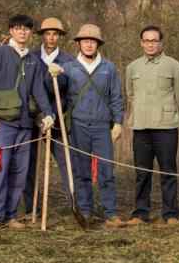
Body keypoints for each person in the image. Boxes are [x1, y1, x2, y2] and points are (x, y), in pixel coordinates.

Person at [48, 24, 125, 228]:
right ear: (79, 43)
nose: (89, 44)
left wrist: (118, 123)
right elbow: (55, 93)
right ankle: (85, 211)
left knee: (106, 171)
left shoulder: (109, 68)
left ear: (98, 44)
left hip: (102, 127)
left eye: (93, 41)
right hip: (78, 125)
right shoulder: (69, 67)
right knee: (81, 171)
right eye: (85, 41)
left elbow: (116, 97)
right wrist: (53, 75)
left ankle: (110, 213)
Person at [0, 14, 54, 230]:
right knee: (0, 169)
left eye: (27, 29)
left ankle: (10, 215)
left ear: (31, 33)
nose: (23, 32)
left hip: (25, 124)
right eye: (18, 28)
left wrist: (48, 113)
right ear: (11, 31)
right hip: (2, 124)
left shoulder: (33, 59)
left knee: (19, 171)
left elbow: (39, 90)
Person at [125, 25, 179, 225]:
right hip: (141, 126)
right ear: (141, 43)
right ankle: (140, 213)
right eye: (146, 40)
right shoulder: (132, 67)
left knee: (168, 171)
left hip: (166, 126)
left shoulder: (174, 66)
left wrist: (166, 111)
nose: (150, 44)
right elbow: (130, 94)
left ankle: (170, 214)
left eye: (154, 41)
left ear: (161, 43)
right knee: (142, 172)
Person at [23, 17, 75, 217]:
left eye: (55, 34)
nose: (51, 38)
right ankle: (30, 208)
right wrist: (36, 113)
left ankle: (75, 206)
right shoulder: (31, 57)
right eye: (47, 33)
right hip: (34, 119)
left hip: (59, 120)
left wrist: (62, 113)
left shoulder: (69, 61)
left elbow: (72, 92)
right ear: (42, 36)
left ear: (59, 37)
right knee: (29, 163)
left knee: (66, 161)